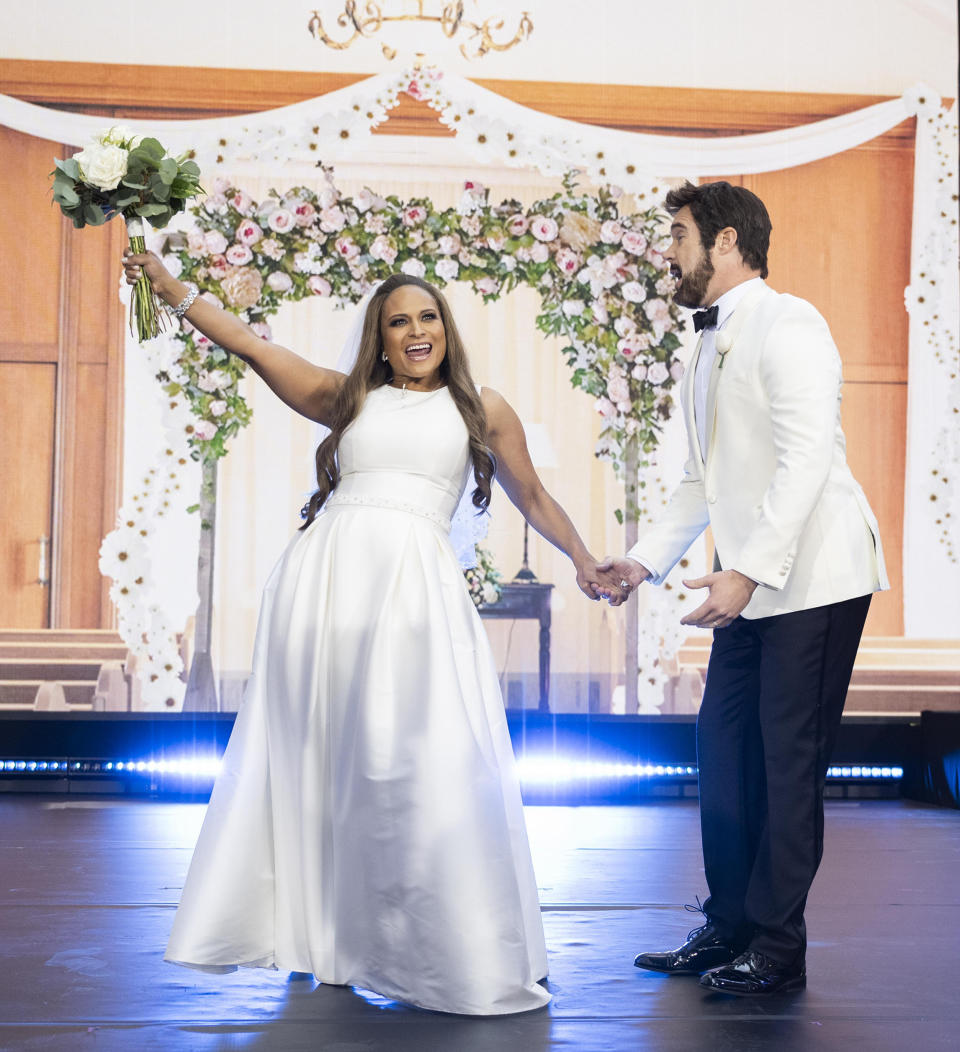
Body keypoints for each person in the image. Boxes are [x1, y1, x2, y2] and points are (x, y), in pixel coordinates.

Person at [122, 252, 624, 1015]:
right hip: (322, 588)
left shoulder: (481, 409)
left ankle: (428, 941)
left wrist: (585, 558)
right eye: (399, 322)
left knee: (411, 760)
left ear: (446, 332)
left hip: (413, 589)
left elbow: (534, 494)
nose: (416, 331)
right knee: (318, 761)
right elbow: (255, 347)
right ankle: (325, 937)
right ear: (381, 339)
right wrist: (174, 291)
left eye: (427, 318)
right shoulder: (348, 398)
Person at [598, 181, 888, 996]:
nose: (671, 252)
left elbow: (806, 463)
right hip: (751, 580)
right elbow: (701, 479)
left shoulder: (791, 323)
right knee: (724, 753)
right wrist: (643, 561)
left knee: (785, 764)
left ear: (726, 242)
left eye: (680, 235)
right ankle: (727, 924)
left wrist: (749, 570)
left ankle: (777, 944)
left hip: (816, 575)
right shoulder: (703, 345)